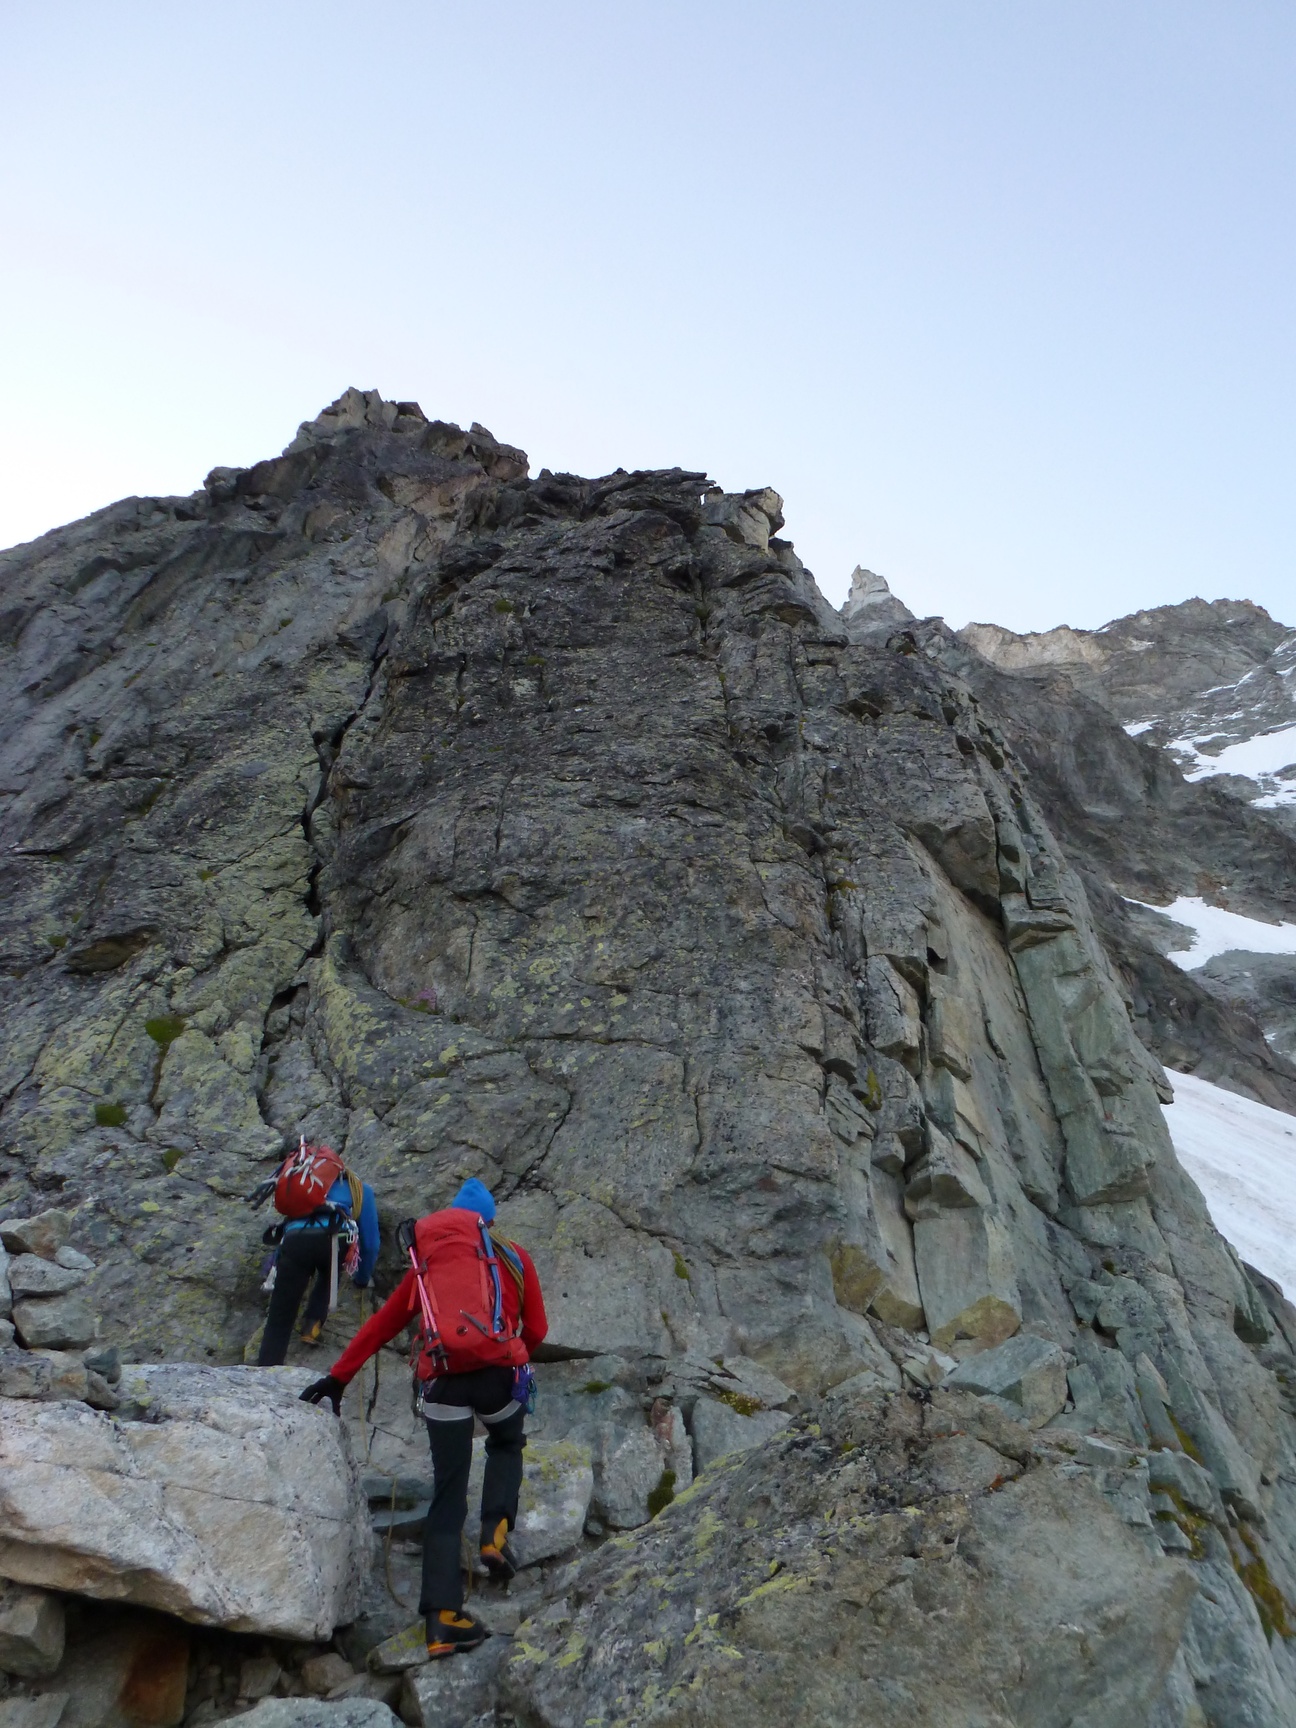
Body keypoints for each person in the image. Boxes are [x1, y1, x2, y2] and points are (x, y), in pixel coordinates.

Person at [300, 1177, 547, 1659]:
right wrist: (514, 1357)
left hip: (443, 1382)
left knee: (447, 1494)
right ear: (487, 1222)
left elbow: (383, 1324)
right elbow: (537, 1327)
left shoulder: (427, 1264)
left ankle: (441, 1621)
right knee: (505, 1441)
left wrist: (338, 1377)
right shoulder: (512, 1256)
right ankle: (495, 1532)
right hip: (498, 1376)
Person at [256, 1152, 379, 1366]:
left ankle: (266, 1367)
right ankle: (312, 1324)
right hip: (333, 1239)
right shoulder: (359, 1188)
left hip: (294, 1240)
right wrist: (362, 1278)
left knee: (280, 1316)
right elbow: (370, 1243)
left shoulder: (302, 1188)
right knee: (330, 1272)